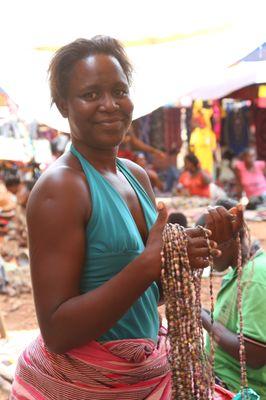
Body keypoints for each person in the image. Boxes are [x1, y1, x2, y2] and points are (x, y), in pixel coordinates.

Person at [11, 36, 242, 399]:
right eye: (90, 95)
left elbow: (148, 295)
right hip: (88, 384)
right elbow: (57, 330)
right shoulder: (62, 188)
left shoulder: (135, 176)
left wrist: (196, 249)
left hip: (145, 369)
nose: (110, 105)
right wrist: (148, 267)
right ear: (62, 106)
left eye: (119, 90)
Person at [201, 198, 266, 398]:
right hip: (221, 378)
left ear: (230, 241)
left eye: (209, 245)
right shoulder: (237, 270)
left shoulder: (255, 278)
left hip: (237, 388)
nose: (206, 255)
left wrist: (202, 318)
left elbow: (254, 355)